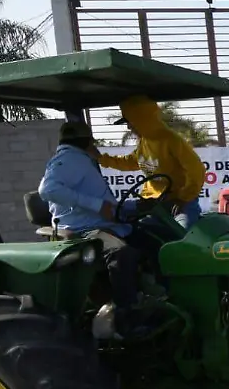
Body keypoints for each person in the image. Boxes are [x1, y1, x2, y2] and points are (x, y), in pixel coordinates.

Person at [38, 122, 152, 338]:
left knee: (151, 236)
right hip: (85, 230)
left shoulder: (80, 160)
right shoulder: (71, 159)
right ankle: (125, 317)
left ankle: (153, 298)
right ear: (88, 141)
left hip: (100, 224)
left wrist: (136, 206)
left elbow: (105, 203)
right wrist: (97, 206)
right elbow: (48, 189)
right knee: (122, 254)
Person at [100, 96, 208, 229]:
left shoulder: (171, 140)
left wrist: (183, 199)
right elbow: (131, 162)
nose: (128, 127)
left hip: (179, 203)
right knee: (115, 213)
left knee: (181, 233)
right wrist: (100, 159)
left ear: (142, 120)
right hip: (153, 204)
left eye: (130, 122)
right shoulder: (144, 142)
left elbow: (196, 170)